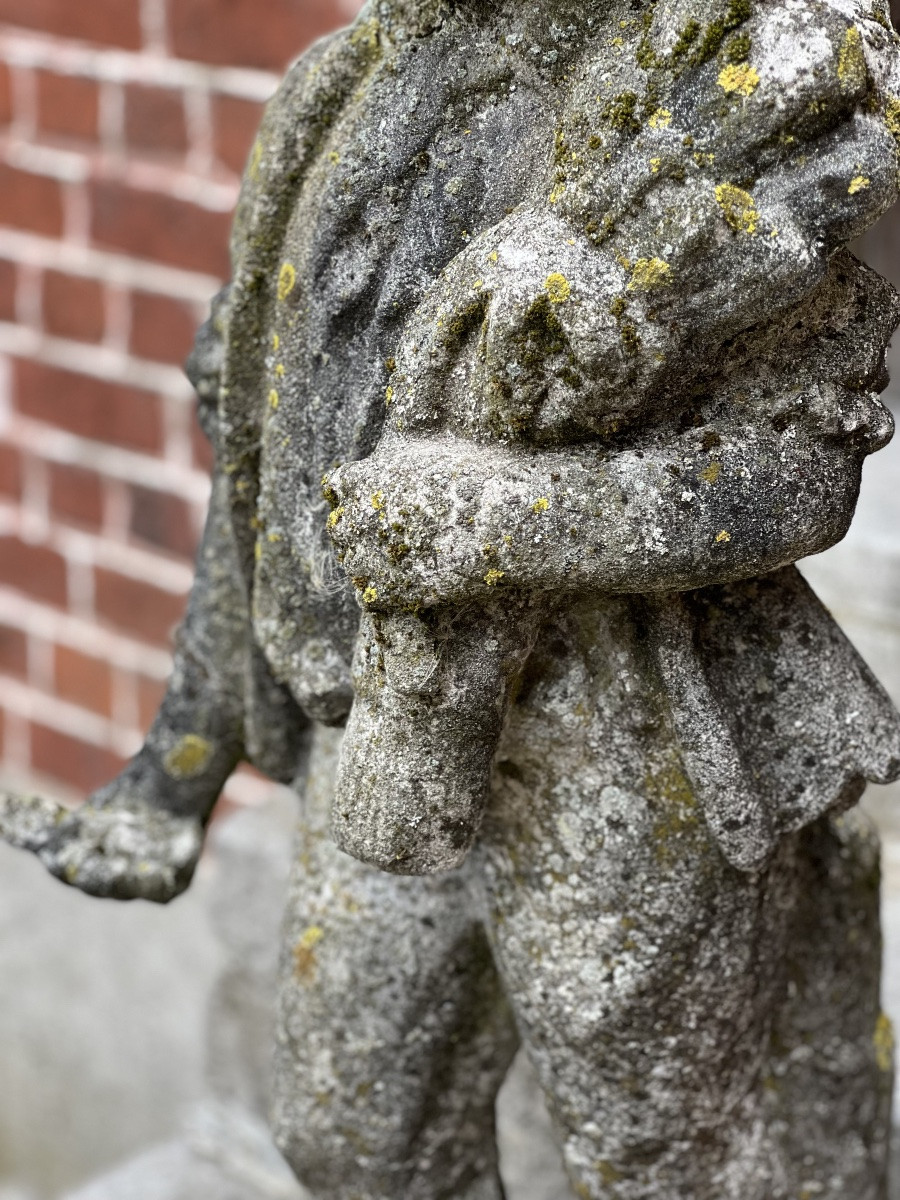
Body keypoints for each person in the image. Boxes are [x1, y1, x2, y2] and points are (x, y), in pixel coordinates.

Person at [4, 1, 900, 1195]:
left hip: (625, 737)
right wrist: (185, 756)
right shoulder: (333, 97)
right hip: (376, 725)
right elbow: (257, 447)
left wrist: (513, 525)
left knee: (665, 1158)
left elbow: (801, 475)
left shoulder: (711, 96)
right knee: (351, 1132)